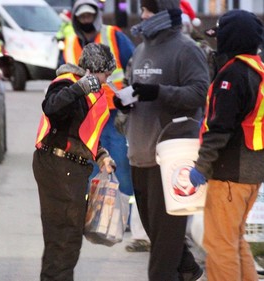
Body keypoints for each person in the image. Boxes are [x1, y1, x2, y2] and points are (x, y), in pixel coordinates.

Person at [113, 0, 210, 280]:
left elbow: (198, 94)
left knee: (163, 251)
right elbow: (138, 89)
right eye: (142, 9)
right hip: (139, 151)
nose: (142, 15)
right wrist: (127, 101)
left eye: (148, 10)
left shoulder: (186, 49)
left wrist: (158, 92)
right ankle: (188, 269)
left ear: (164, 14)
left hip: (170, 155)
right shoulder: (142, 48)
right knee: (159, 236)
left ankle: (177, 272)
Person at [188, 9, 264, 281]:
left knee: (219, 245)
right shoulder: (258, 69)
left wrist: (202, 166)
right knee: (235, 238)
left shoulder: (232, 75)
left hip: (230, 173)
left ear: (231, 39)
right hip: (252, 174)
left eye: (220, 36)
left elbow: (220, 128)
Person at [32, 42, 117, 281]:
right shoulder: (66, 84)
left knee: (66, 236)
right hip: (59, 166)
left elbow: (80, 131)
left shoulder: (87, 91)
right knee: (63, 235)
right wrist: (80, 88)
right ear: (91, 71)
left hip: (70, 167)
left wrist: (101, 156)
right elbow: (52, 108)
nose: (106, 81)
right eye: (105, 75)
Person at [61, 0, 135, 206]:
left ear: (96, 16)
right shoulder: (69, 43)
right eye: (82, 17)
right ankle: (95, 210)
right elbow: (62, 76)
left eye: (89, 16)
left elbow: (134, 64)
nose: (86, 20)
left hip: (113, 111)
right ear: (76, 19)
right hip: (86, 114)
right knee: (90, 162)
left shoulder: (113, 35)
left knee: (119, 159)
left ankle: (124, 212)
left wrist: (127, 103)